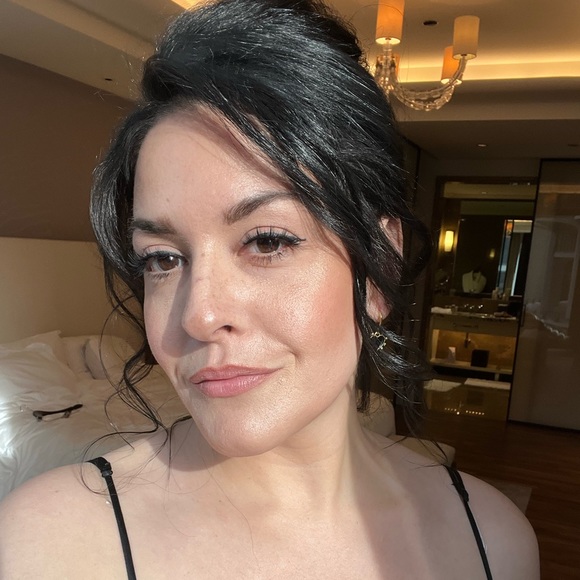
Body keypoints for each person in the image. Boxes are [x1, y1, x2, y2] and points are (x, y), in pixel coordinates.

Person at [0, 0, 539, 578]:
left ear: (379, 265)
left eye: (267, 241)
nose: (199, 315)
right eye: (162, 258)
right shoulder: (55, 544)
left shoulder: (493, 542)